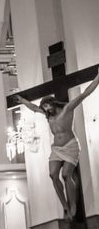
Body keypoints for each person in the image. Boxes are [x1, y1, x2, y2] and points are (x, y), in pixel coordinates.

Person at [15, 71, 99, 220]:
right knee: (53, 175)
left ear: (53, 103)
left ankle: (72, 204)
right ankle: (65, 207)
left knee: (66, 175)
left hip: (71, 145)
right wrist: (22, 100)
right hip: (57, 148)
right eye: (45, 108)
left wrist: (97, 78)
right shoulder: (48, 115)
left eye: (47, 106)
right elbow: (34, 108)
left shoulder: (67, 109)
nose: (46, 110)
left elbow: (85, 93)